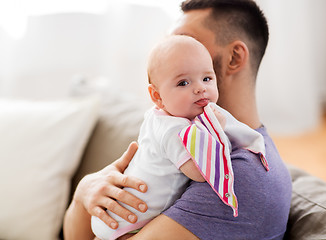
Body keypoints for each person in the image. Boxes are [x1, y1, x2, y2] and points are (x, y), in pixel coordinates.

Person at [63, 0, 292, 239]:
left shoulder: (238, 174)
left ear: (234, 58)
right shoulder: (170, 128)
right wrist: (83, 194)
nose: (174, 52)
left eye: (187, 41)